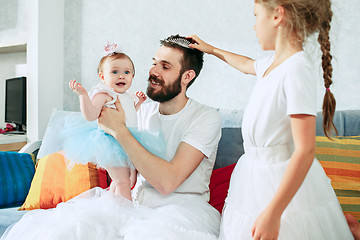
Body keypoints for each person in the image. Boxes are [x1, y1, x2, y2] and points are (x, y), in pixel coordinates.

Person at [1, 35, 222, 240]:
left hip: (179, 210)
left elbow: (167, 183)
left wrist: (119, 130)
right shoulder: (142, 111)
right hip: (131, 204)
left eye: (165, 66)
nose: (153, 71)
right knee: (59, 231)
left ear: (187, 76)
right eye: (154, 62)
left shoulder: (205, 118)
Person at [188, 0, 354, 239]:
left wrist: (274, 213)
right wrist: (212, 49)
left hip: (277, 180)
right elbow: (245, 64)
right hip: (252, 174)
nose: (254, 26)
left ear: (278, 16)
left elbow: (306, 150)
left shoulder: (296, 69)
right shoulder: (272, 64)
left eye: (256, 16)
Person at [60, 43, 156, 200]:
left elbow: (128, 116)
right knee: (122, 181)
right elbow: (90, 115)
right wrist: (83, 95)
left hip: (127, 141)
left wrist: (138, 103)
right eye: (114, 72)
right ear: (102, 77)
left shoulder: (126, 95)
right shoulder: (105, 94)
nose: (121, 76)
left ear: (132, 76)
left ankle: (110, 206)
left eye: (127, 72)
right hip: (110, 143)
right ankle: (126, 214)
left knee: (125, 180)